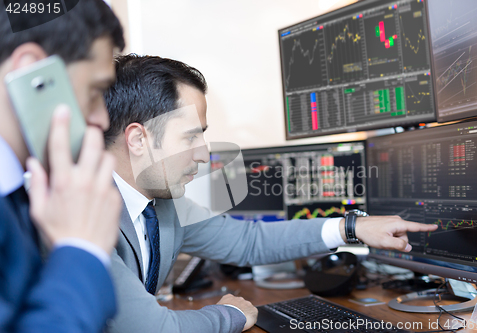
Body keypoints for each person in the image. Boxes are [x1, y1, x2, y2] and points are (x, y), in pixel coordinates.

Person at [103, 54, 438, 333]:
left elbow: (248, 241)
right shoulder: (84, 217)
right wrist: (230, 314)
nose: (204, 154)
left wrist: (350, 228)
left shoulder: (162, 205)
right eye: (190, 137)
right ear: (138, 139)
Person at [0, 1, 125, 332]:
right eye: (96, 91)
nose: (102, 119)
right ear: (31, 73)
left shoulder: (19, 194)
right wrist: (79, 250)